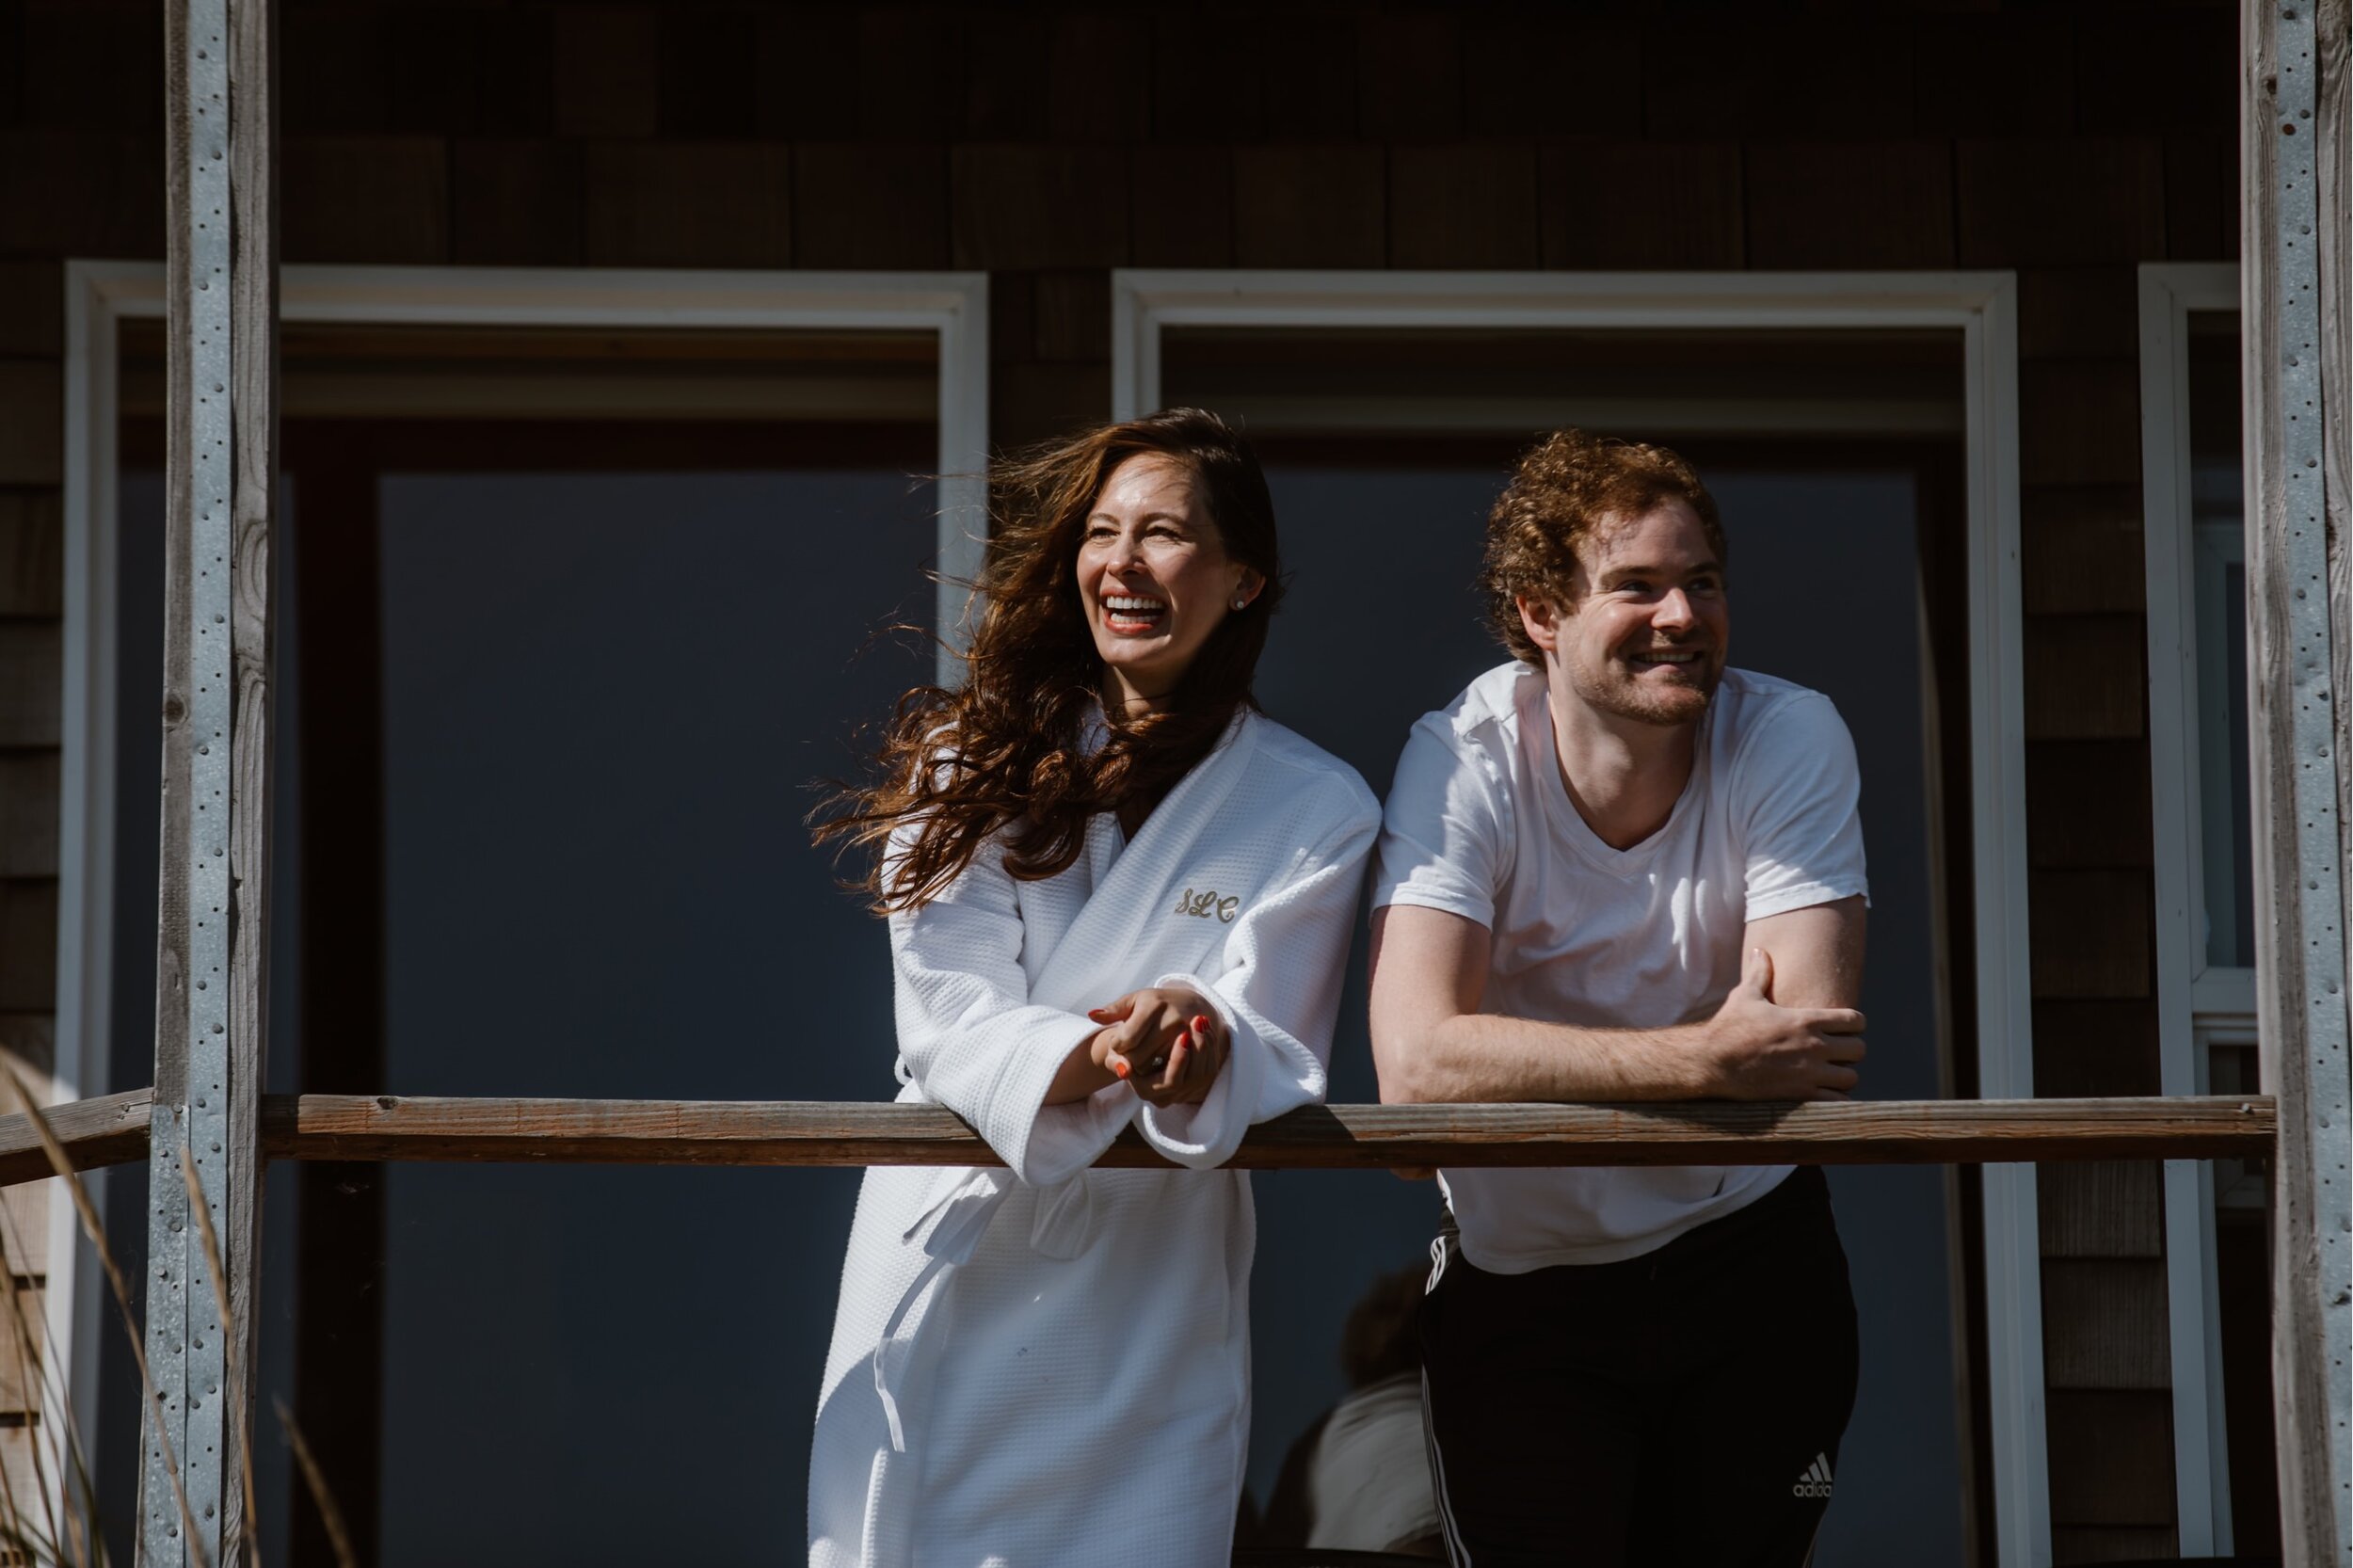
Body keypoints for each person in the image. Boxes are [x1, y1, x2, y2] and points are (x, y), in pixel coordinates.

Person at [807, 408, 1381, 1568]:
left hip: (1142, 1294)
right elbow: (948, 1012)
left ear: (1243, 577)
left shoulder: (1316, 805)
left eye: (1163, 533)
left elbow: (1274, 1035)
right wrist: (1120, 1049)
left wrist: (1204, 1032)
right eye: (1102, 532)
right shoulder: (967, 762)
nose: (1120, 561)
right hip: (953, 1263)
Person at [1367, 429, 1870, 1567]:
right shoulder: (1463, 761)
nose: (1683, 617)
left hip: (1749, 1266)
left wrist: (1507, 1059)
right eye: (1636, 585)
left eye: (1701, 582)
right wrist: (1701, 1062)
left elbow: (1804, 1052)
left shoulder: (1786, 734)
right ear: (1540, 611)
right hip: (1523, 1297)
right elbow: (1413, 1071)